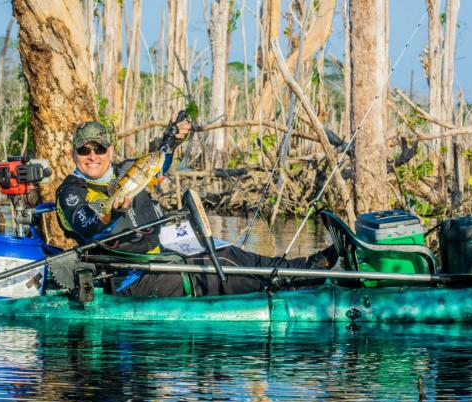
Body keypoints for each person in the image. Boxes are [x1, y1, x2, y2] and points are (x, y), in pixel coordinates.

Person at [55, 117, 337, 297]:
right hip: (130, 276)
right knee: (225, 265)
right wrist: (113, 212)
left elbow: (157, 164)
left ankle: (303, 269)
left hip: (159, 256)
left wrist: (173, 140)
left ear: (110, 151)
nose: (92, 157)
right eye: (84, 151)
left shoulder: (126, 171)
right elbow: (87, 223)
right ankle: (294, 283)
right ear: (74, 154)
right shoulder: (71, 192)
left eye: (99, 149)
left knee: (228, 251)